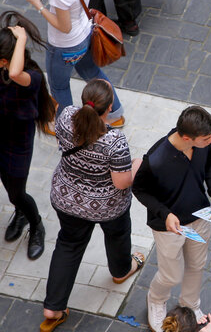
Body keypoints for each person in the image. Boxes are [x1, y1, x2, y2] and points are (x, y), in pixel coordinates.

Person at [41, 79, 144, 332]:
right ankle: (120, 270)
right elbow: (121, 183)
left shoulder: (65, 115)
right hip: (107, 207)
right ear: (108, 108)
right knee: (117, 235)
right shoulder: (114, 141)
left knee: (68, 245)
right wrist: (138, 164)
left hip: (66, 198)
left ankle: (53, 308)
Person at [132, 106, 211, 332]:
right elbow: (140, 189)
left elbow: (210, 165)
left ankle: (190, 304)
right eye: (207, 138)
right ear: (186, 138)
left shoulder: (203, 144)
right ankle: (156, 299)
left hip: (200, 217)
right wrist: (165, 214)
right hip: (169, 228)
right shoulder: (156, 159)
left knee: (197, 265)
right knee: (171, 274)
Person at [25, 0, 125, 128]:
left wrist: (39, 6)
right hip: (86, 33)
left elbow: (64, 27)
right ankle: (116, 114)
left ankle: (66, 126)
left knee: (60, 87)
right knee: (93, 74)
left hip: (64, 46)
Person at [0, 12, 55, 260]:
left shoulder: (29, 78)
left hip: (17, 144)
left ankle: (35, 224)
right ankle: (20, 213)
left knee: (17, 192)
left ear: (5, 61)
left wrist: (21, 38)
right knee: (8, 185)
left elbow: (14, 73)